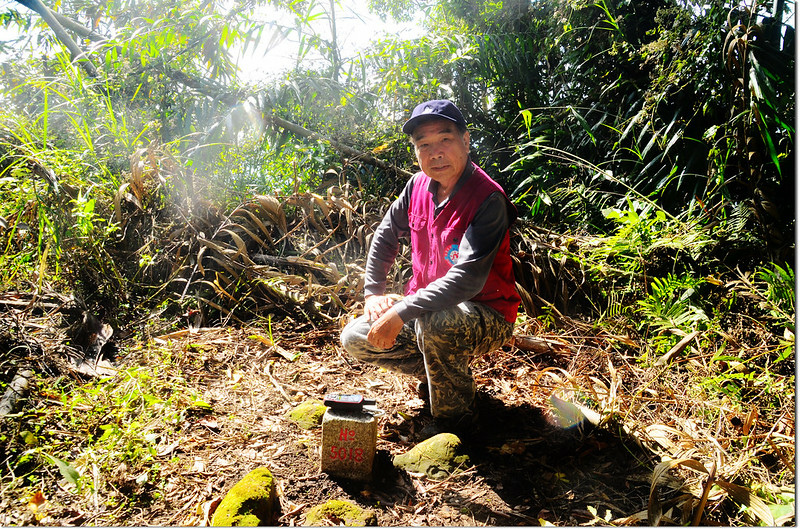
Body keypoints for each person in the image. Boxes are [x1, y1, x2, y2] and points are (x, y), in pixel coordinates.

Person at [340, 99, 521, 437]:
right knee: (356, 337)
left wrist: (401, 311)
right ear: (416, 152)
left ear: (466, 141)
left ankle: (456, 424)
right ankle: (443, 376)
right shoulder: (417, 187)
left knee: (434, 322)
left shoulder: (488, 199)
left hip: (487, 313)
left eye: (445, 140)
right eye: (424, 145)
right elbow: (385, 235)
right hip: (427, 310)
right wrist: (373, 293)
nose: (435, 152)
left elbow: (466, 279)